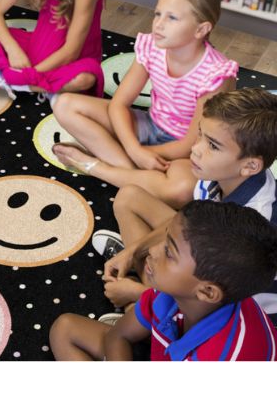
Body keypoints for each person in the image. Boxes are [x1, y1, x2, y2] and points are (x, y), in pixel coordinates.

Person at [97, 88, 277, 312]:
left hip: (240, 309)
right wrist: (132, 251)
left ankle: (142, 303)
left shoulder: (253, 224)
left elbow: (212, 301)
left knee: (135, 312)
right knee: (129, 197)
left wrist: (135, 293)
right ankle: (144, 285)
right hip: (207, 253)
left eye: (212, 145)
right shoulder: (218, 176)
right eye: (200, 134)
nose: (195, 149)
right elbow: (186, 222)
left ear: (250, 166)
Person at [52, 0, 238, 184]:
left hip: (186, 148)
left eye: (172, 18)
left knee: (182, 189)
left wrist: (140, 151)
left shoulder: (215, 74)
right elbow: (119, 104)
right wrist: (134, 150)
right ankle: (133, 174)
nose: (158, 24)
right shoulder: (152, 46)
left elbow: (190, 142)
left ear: (201, 30)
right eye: (157, 14)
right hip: (149, 125)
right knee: (64, 104)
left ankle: (104, 165)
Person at [49, 200, 277, 361]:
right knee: (64, 328)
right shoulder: (171, 291)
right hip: (166, 352)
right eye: (165, 240)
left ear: (207, 292)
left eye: (169, 252)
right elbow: (120, 335)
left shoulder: (226, 356)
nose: (154, 251)